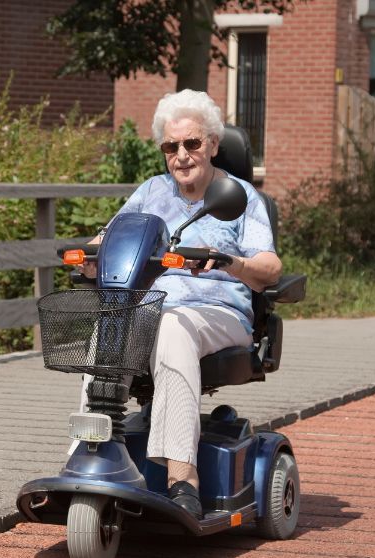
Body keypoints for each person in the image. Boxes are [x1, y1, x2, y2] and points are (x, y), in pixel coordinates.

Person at [79, 89, 281, 518]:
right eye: (171, 147)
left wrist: (231, 262)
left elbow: (270, 269)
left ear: (211, 144)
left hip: (218, 313)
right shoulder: (151, 192)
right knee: (108, 324)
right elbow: (110, 237)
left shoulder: (240, 196)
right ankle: (91, 454)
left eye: (191, 144)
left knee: (172, 326)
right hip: (150, 308)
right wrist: (91, 256)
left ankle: (182, 478)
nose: (182, 155)